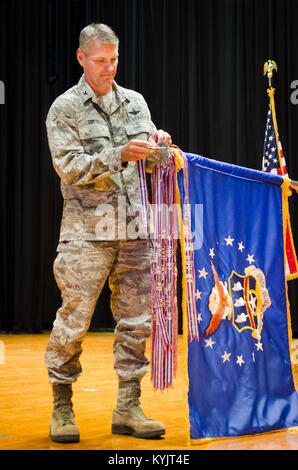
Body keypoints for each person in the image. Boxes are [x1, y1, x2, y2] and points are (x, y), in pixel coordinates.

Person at [44, 23, 172, 443]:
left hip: (136, 229)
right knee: (75, 321)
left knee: (137, 322)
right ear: (81, 58)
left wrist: (161, 147)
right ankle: (62, 406)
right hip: (86, 235)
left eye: (114, 59)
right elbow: (70, 166)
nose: (109, 68)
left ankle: (128, 408)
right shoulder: (65, 108)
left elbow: (152, 161)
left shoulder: (135, 102)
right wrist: (119, 155)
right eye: (100, 60)